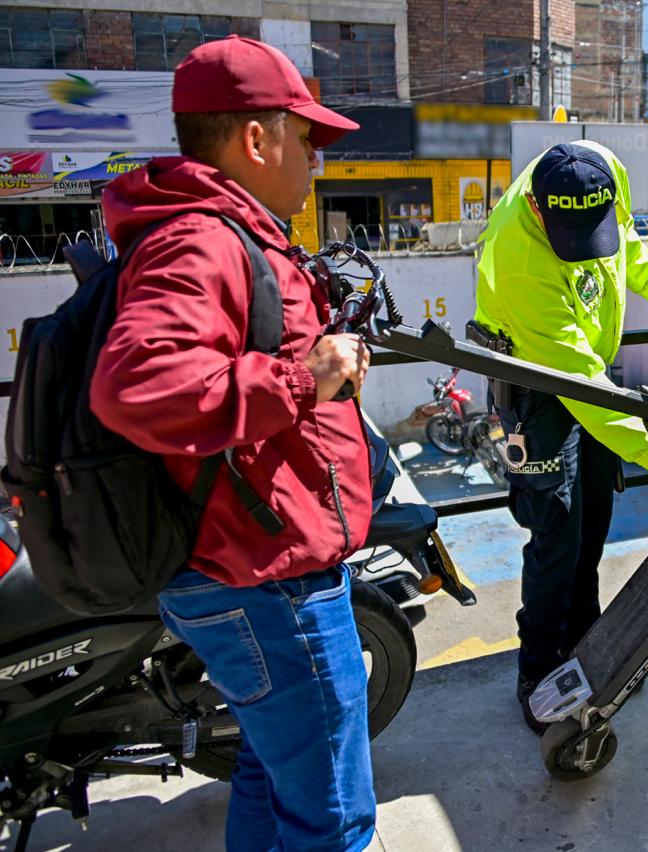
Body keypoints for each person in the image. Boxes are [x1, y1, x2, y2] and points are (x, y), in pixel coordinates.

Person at [89, 36, 376, 851]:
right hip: (266, 582)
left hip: (254, 565)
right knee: (332, 820)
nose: (315, 161)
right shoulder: (201, 239)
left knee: (268, 774)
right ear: (258, 138)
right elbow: (137, 385)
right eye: (307, 138)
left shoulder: (224, 231)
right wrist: (302, 381)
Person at [471, 141, 648, 734]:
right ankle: (538, 669)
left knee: (595, 519)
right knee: (558, 533)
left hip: (593, 379)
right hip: (539, 386)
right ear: (535, 205)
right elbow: (573, 379)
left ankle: (589, 646)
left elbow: (624, 238)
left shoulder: (600, 169)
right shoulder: (519, 257)